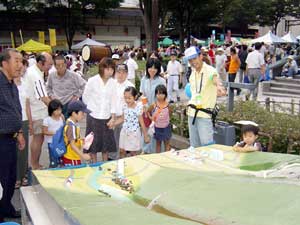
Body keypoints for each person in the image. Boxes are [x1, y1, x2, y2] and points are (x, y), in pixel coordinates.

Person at [0, 49, 25, 222]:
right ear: (4, 63)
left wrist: (20, 133)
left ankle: (6, 207)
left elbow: (15, 109)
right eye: (16, 61)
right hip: (1, 139)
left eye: (22, 61)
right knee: (2, 180)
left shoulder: (11, 84)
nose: (20, 65)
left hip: (11, 137)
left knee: (10, 178)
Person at [184, 46, 226, 148]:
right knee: (194, 146)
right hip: (191, 113)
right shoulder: (192, 73)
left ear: (201, 56)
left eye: (194, 58)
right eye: (190, 60)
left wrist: (219, 86)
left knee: (207, 146)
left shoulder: (209, 70)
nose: (193, 62)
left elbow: (214, 78)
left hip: (204, 114)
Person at [82, 57, 117, 162]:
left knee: (105, 145)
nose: (109, 71)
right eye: (107, 69)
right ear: (101, 68)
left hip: (107, 117)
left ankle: (105, 165)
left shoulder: (113, 83)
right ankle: (94, 164)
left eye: (111, 69)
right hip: (93, 116)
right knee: (93, 144)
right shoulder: (92, 80)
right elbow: (85, 97)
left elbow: (113, 100)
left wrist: (113, 117)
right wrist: (91, 109)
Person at [25, 52, 52, 169]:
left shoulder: (33, 71)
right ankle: (34, 164)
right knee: (38, 139)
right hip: (38, 112)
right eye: (49, 64)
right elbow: (44, 97)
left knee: (38, 139)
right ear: (41, 63)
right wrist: (56, 109)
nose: (51, 67)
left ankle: (34, 163)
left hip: (36, 110)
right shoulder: (35, 75)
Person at [140, 58, 166, 153]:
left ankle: (157, 153)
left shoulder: (161, 81)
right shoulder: (144, 79)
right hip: (146, 110)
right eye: (150, 67)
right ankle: (146, 151)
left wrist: (154, 108)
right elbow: (143, 94)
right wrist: (145, 105)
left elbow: (164, 97)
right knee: (146, 131)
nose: (152, 70)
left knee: (156, 132)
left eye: (155, 68)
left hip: (157, 110)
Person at [114, 87, 150, 158]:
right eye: (125, 98)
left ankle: (134, 167)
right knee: (122, 151)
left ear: (135, 97)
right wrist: (113, 123)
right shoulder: (124, 106)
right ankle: (123, 166)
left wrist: (145, 136)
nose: (127, 100)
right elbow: (122, 118)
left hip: (134, 133)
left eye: (129, 98)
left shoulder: (138, 107)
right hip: (124, 132)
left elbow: (142, 123)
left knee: (133, 153)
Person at [108, 64, 134, 160]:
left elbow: (131, 105)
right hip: (112, 116)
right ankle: (112, 159)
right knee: (112, 140)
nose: (121, 74)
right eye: (119, 72)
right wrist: (112, 117)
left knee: (124, 143)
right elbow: (110, 101)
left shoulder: (130, 86)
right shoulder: (111, 84)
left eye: (123, 72)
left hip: (125, 118)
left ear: (127, 74)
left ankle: (124, 160)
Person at [14, 58, 30, 188]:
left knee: (24, 150)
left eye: (21, 68)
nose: (20, 70)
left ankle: (24, 175)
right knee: (14, 150)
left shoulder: (25, 84)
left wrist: (30, 122)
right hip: (13, 120)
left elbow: (27, 104)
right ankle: (16, 177)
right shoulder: (8, 84)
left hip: (24, 119)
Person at [62, 100, 91, 166]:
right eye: (82, 113)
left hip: (70, 156)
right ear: (74, 113)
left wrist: (80, 140)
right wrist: (83, 155)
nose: (83, 115)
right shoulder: (71, 127)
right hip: (72, 157)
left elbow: (72, 138)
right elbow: (72, 145)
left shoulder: (69, 122)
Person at [147, 85, 172, 153]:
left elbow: (170, 114)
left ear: (165, 94)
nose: (160, 95)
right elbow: (148, 112)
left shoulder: (168, 105)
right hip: (157, 127)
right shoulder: (154, 105)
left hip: (166, 127)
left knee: (167, 143)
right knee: (158, 144)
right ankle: (158, 158)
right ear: (155, 95)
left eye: (162, 93)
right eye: (158, 93)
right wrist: (151, 117)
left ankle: (167, 157)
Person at [42, 99, 64, 168]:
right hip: (52, 143)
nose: (59, 111)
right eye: (57, 110)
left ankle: (60, 170)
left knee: (61, 158)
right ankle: (52, 170)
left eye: (60, 109)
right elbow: (44, 131)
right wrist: (54, 133)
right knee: (53, 159)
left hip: (60, 142)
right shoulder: (47, 120)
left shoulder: (61, 118)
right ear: (51, 110)